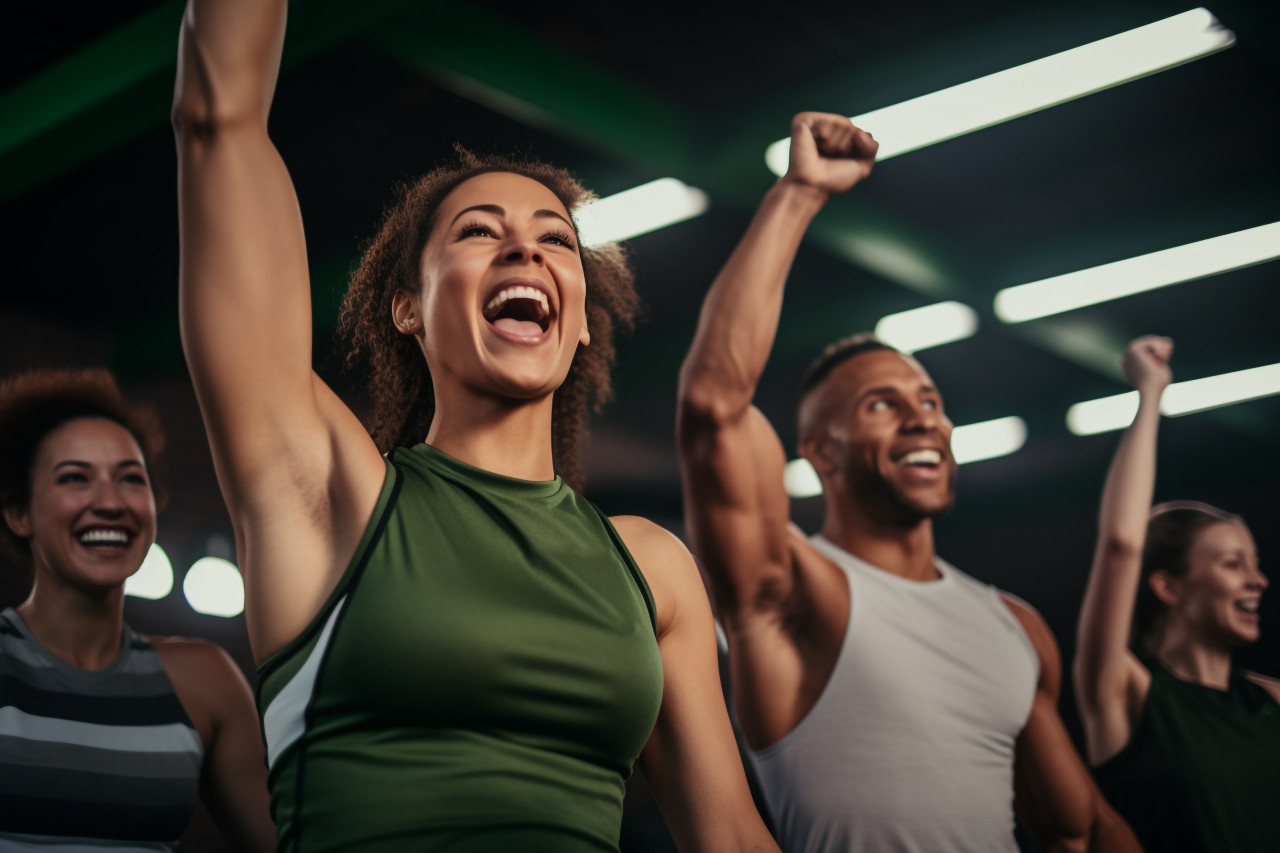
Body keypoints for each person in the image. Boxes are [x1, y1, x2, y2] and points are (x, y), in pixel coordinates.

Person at [171, 2, 777, 851]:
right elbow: (217, 120)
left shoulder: (652, 567)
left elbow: (733, 837)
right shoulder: (332, 496)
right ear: (407, 307)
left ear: (582, 321)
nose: (525, 252)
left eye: (555, 240)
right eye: (479, 231)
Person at [677, 112, 1139, 852]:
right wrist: (798, 193)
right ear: (819, 452)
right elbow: (713, 404)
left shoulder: (1013, 625)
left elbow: (1082, 828)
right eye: (882, 405)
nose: (923, 419)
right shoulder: (792, 591)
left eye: (930, 401)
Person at [0, 368, 274, 852]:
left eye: (130, 478)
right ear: (19, 513)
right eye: (75, 478)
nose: (109, 501)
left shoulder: (205, 681)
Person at [1073, 334, 1280, 851]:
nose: (1259, 581)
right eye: (1234, 565)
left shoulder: (1272, 702)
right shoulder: (1123, 694)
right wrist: (1150, 394)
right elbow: (1122, 542)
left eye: (1255, 564)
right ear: (1167, 585)